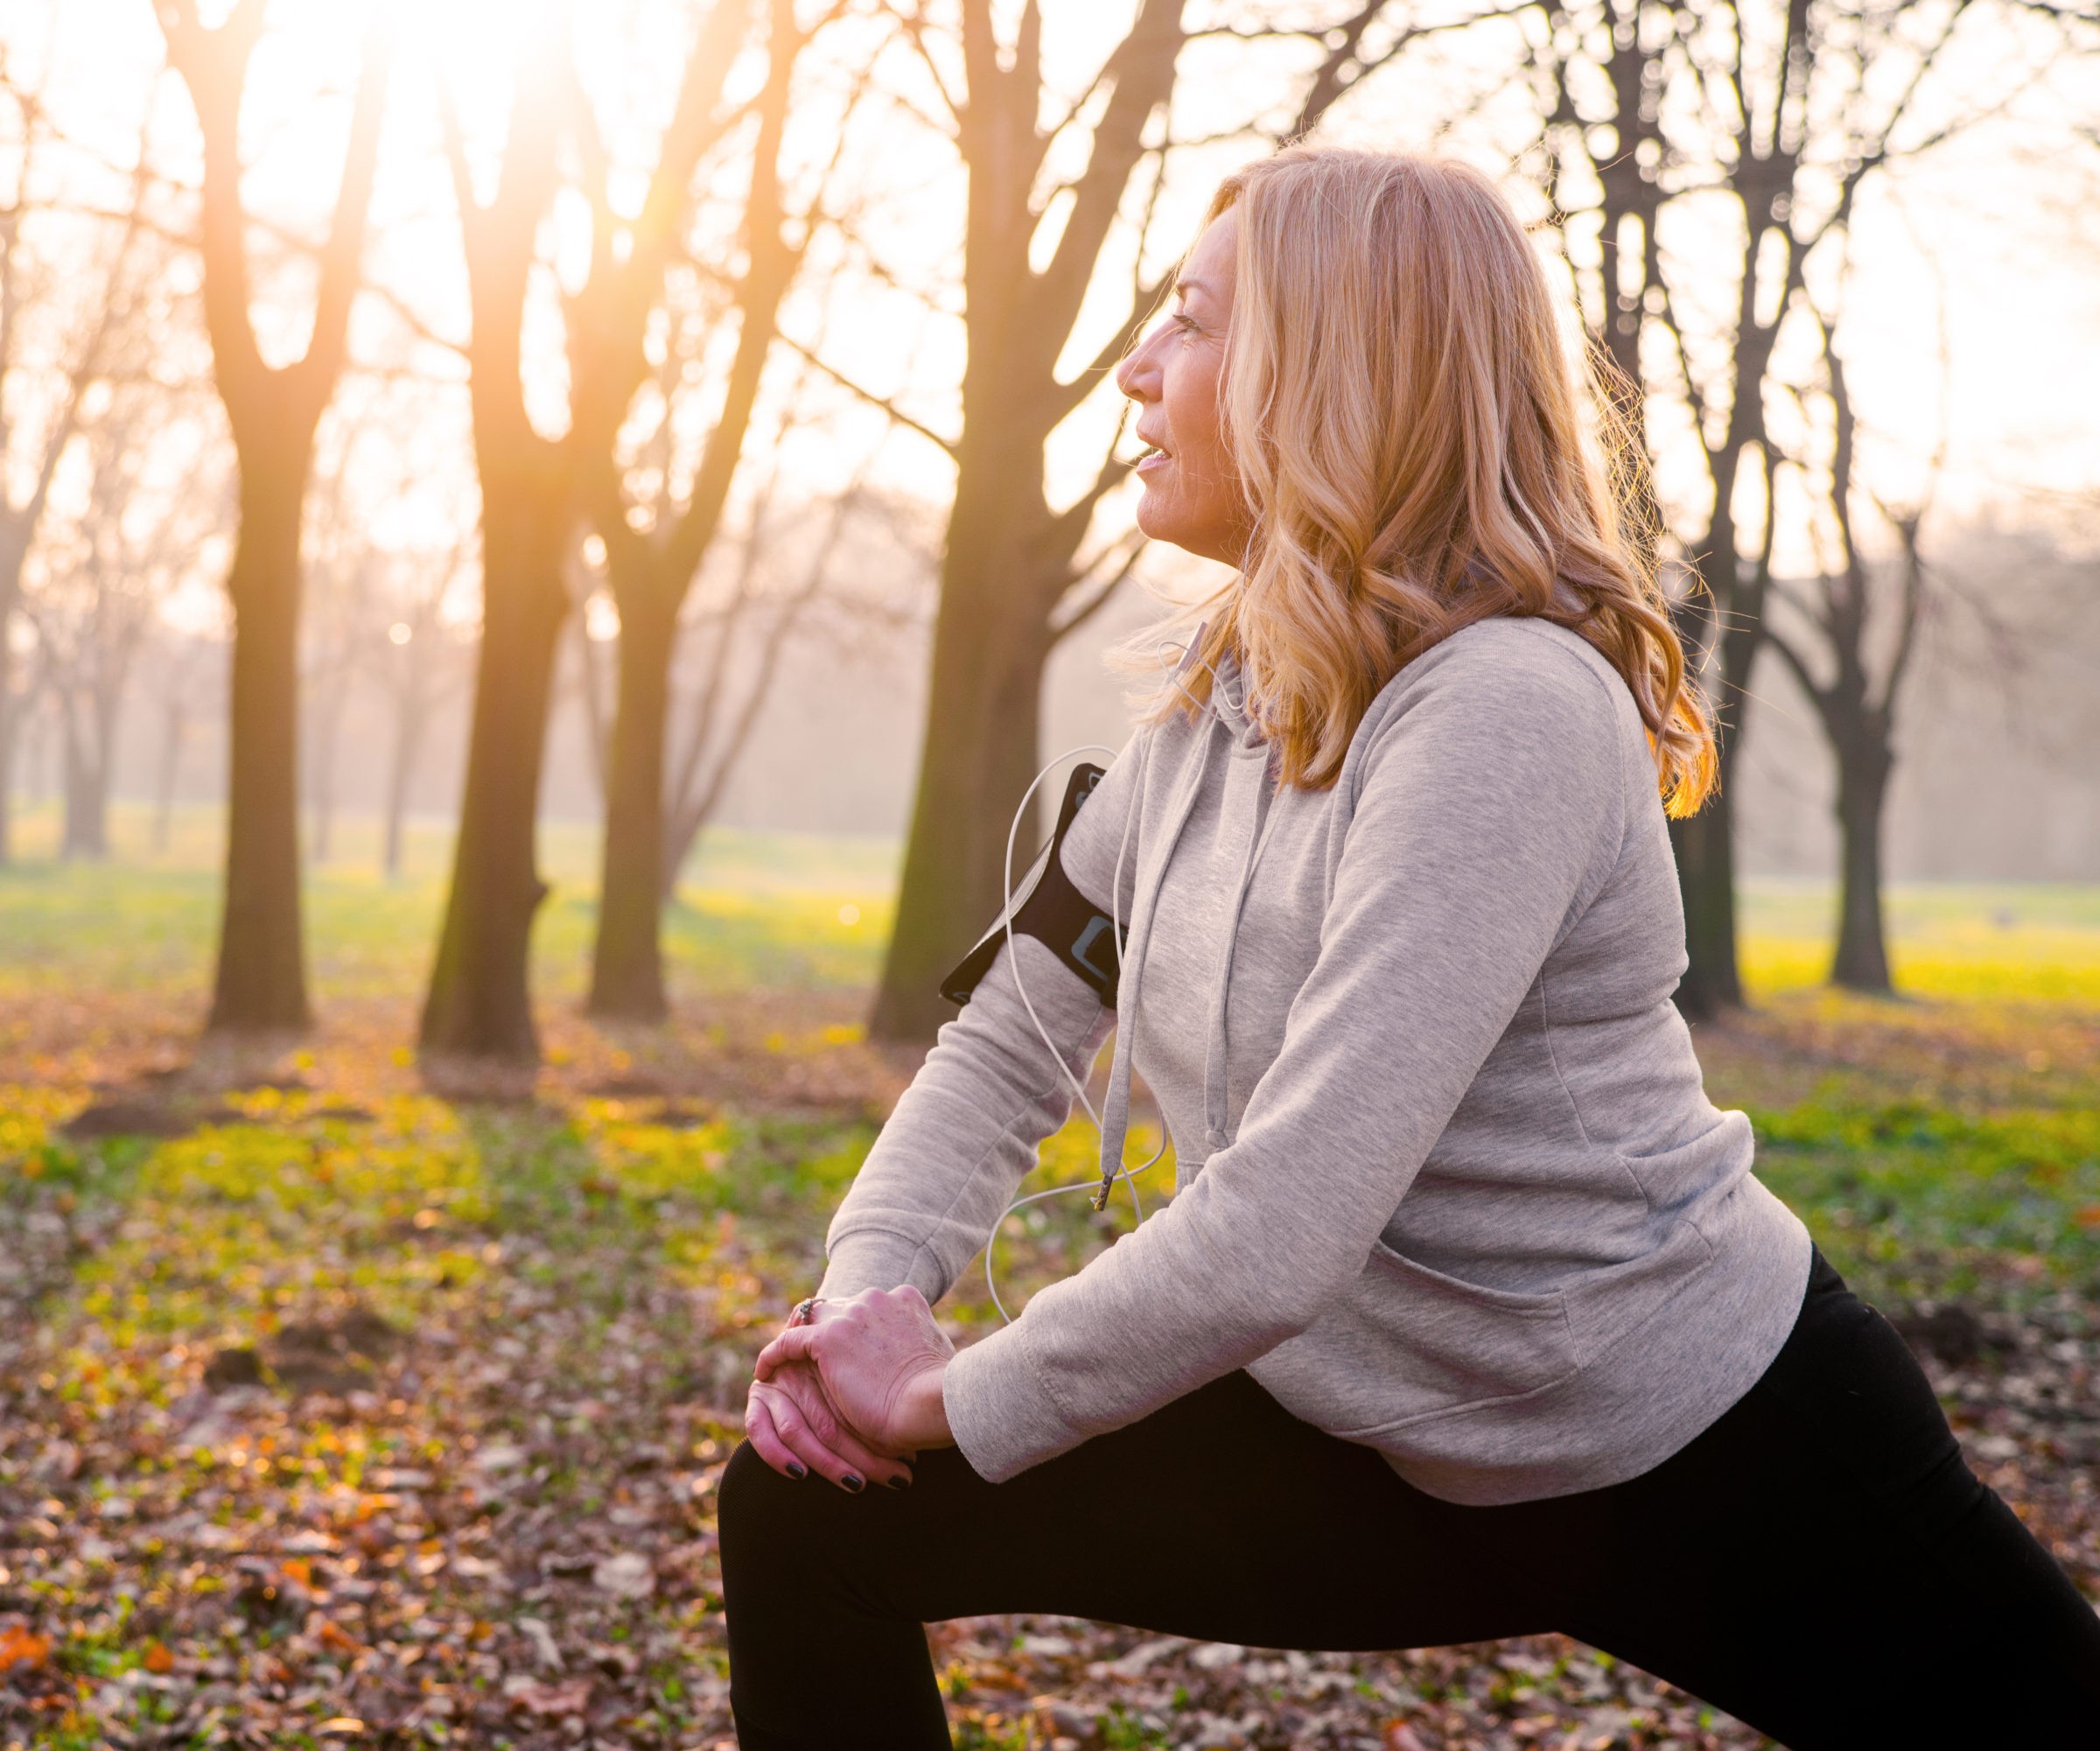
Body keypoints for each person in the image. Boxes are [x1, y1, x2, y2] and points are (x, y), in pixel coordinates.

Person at [717, 148, 2100, 1750]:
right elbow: (1008, 1037)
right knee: (809, 1509)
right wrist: (858, 1316)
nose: (1134, 366)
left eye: (1189, 319)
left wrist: (948, 1397)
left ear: (1337, 369)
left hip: (1692, 1437)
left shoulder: (1505, 708)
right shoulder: (1213, 720)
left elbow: (1284, 1220)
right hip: (1364, 1442)